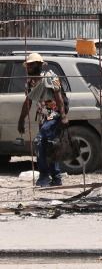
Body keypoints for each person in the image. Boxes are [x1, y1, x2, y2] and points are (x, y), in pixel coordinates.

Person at [18, 53, 68, 187]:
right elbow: (28, 102)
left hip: (54, 115)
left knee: (39, 142)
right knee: (50, 146)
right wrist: (21, 119)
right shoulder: (29, 83)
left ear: (39, 65)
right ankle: (56, 179)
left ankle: (44, 177)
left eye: (31, 64)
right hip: (42, 118)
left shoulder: (50, 77)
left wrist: (63, 116)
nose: (28, 67)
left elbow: (59, 98)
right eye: (28, 64)